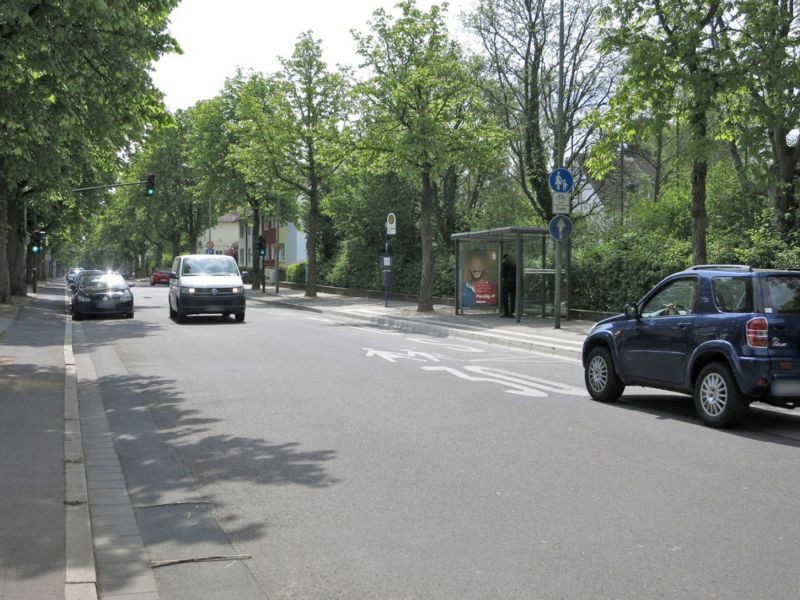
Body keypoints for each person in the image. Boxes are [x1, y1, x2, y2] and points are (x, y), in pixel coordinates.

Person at [500, 253, 516, 318]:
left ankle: (506, 312)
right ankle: (511, 313)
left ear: (504, 259)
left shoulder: (504, 264)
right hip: (513, 284)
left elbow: (503, 274)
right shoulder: (514, 264)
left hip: (506, 284)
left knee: (505, 298)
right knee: (512, 299)